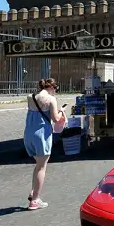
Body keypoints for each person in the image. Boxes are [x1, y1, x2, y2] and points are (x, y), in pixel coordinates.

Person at [24, 78, 65, 211]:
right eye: (55, 90)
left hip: (29, 133)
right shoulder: (51, 99)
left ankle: (33, 191)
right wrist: (61, 111)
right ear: (52, 88)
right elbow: (56, 119)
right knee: (42, 167)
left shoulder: (30, 97)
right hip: (41, 135)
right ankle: (35, 200)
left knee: (37, 165)